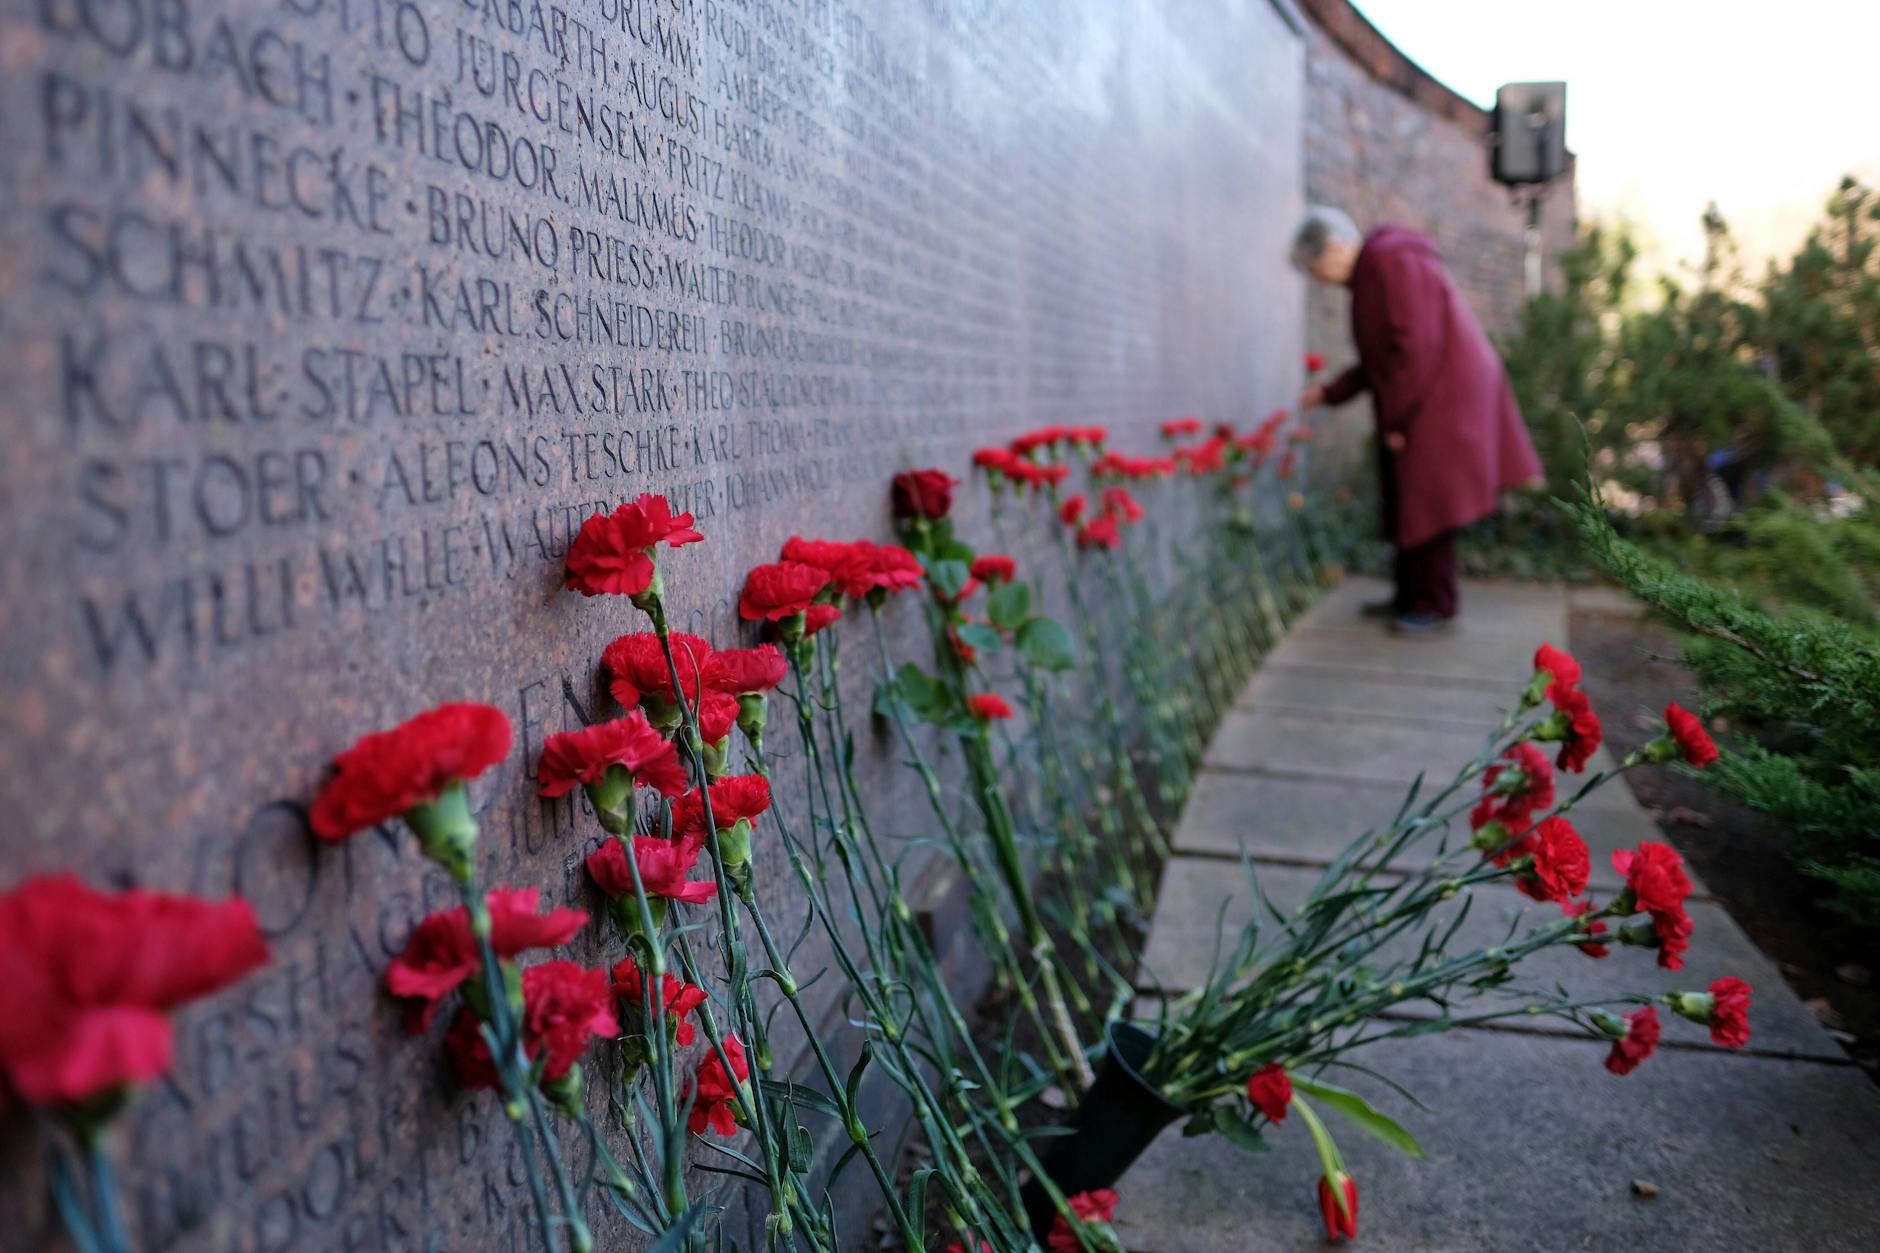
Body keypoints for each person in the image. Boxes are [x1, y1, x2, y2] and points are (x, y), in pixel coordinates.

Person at [1291, 207, 1541, 633]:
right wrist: (1330, 393)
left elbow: (1413, 350)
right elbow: (1379, 357)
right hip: (1432, 392)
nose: (1319, 279)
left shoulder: (1392, 262)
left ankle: (1434, 604)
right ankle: (1409, 596)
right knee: (1407, 498)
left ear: (1333, 248)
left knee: (1428, 500)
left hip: (1441, 397)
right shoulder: (1376, 268)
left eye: (1316, 268)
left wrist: (1397, 422)